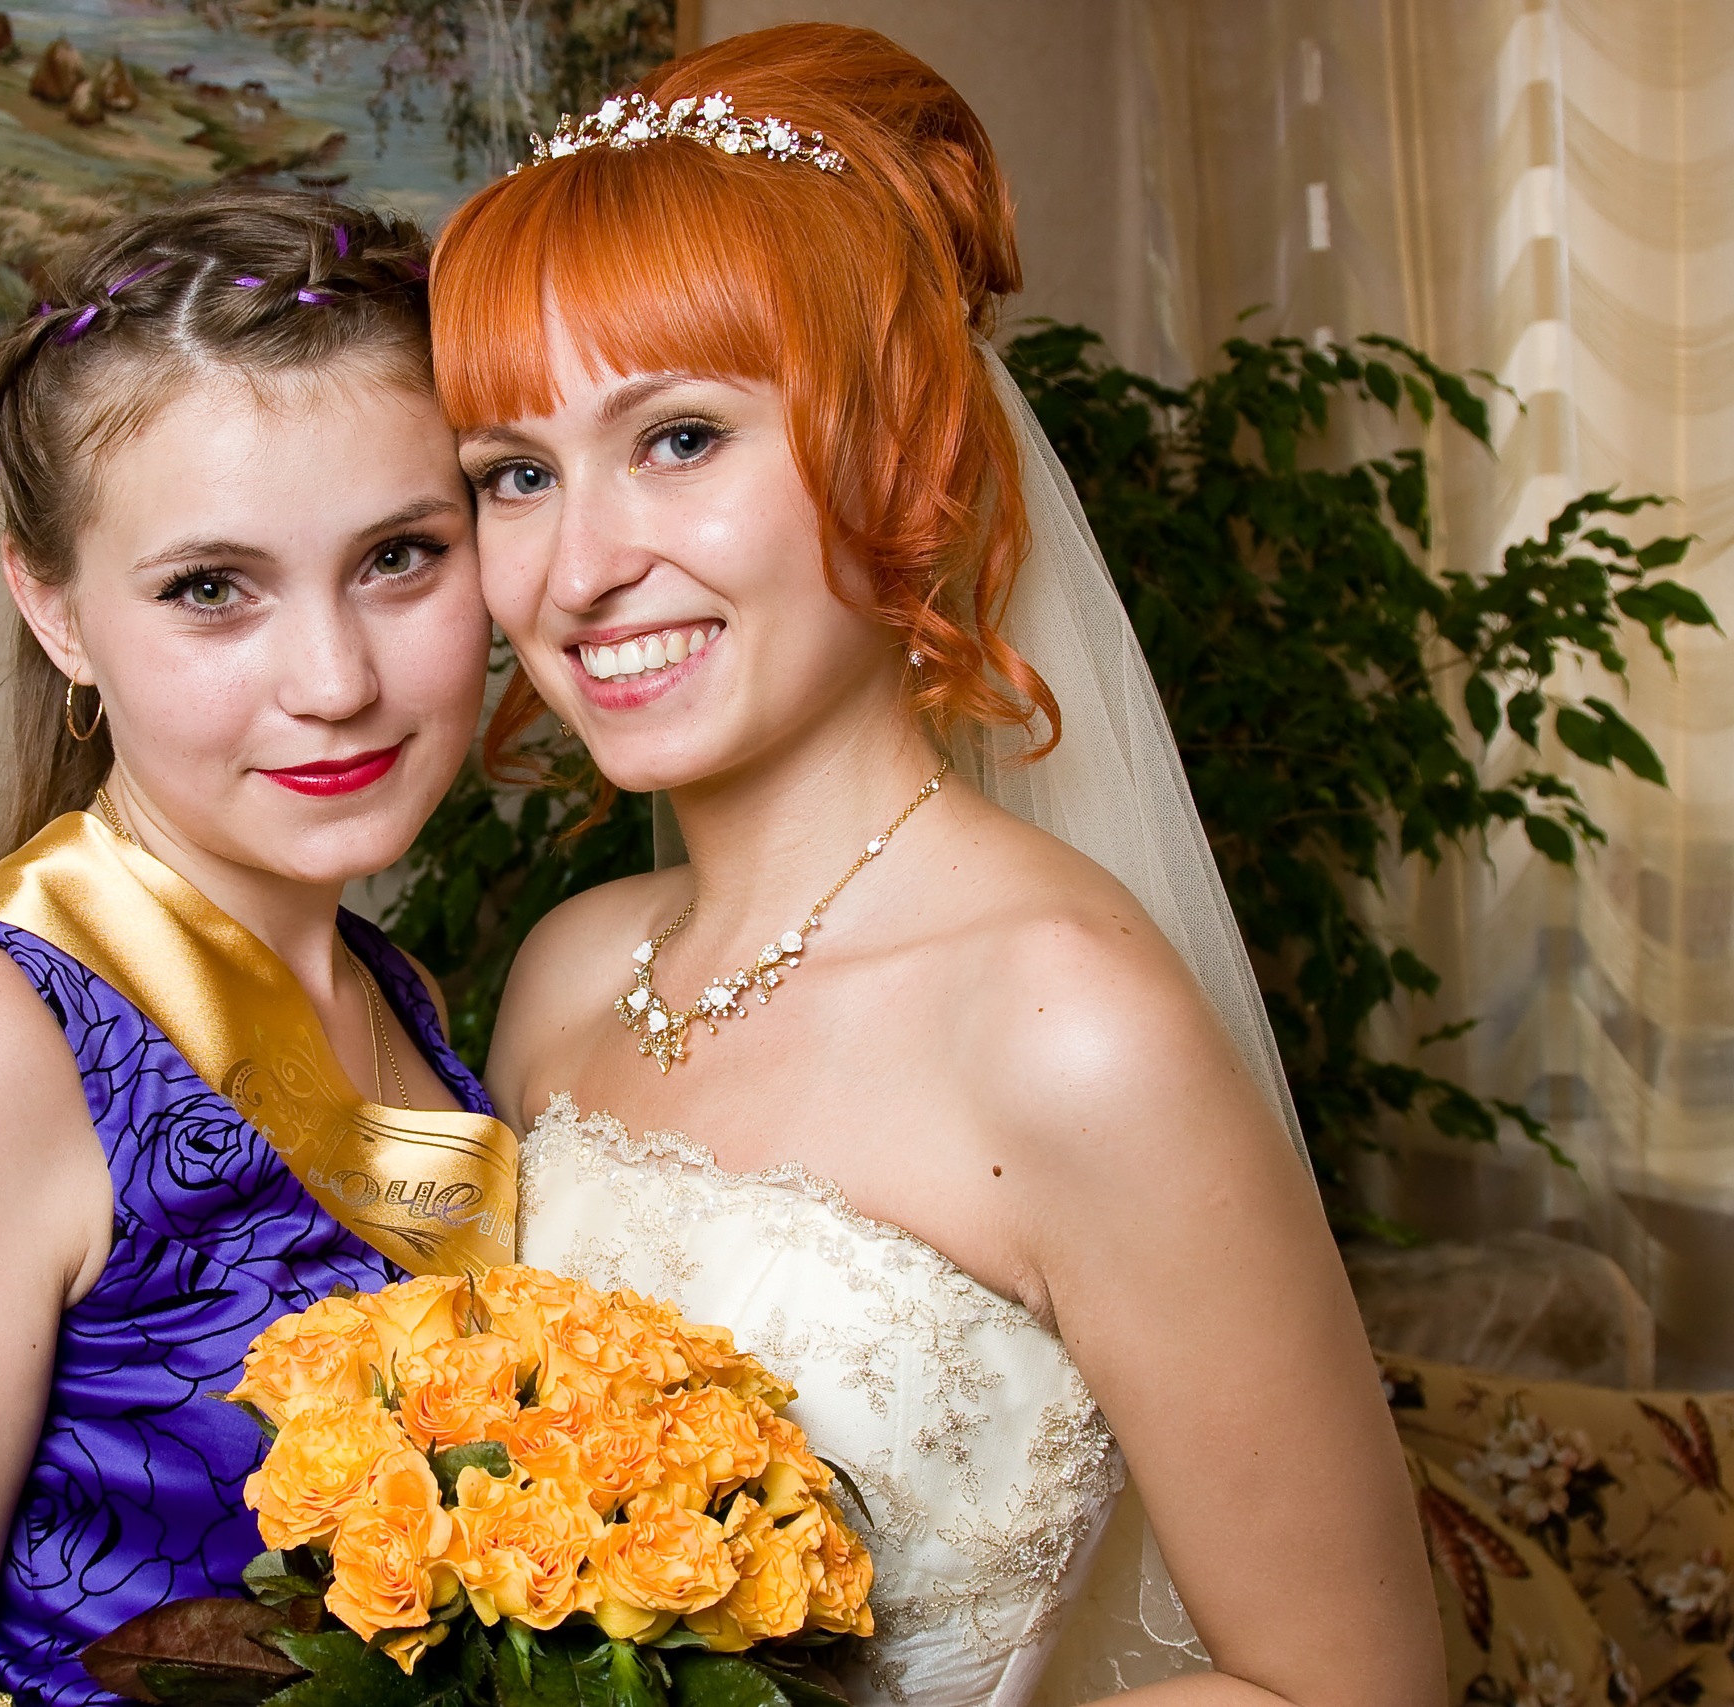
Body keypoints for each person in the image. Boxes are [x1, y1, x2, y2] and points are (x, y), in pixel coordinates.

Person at [438, 26, 1441, 1707]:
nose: (580, 567)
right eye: (517, 476)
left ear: (900, 450)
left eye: (679, 438)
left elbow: (1354, 1689)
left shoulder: (1069, 1024)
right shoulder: (568, 969)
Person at [0, 188, 516, 1707]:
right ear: (57, 613)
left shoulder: (395, 989)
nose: (335, 680)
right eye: (211, 590)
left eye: (400, 557)